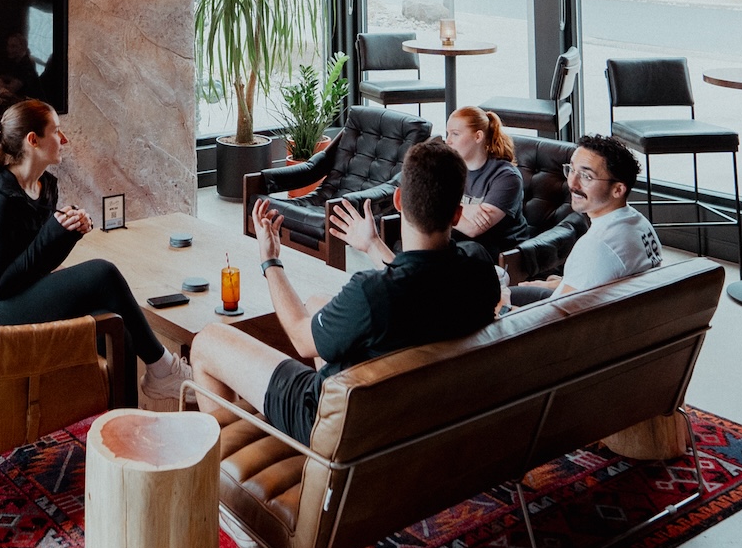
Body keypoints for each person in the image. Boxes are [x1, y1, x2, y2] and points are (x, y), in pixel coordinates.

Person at [190, 139, 501, 447]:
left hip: (331, 423)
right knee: (315, 303)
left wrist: (270, 259)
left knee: (207, 341)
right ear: (457, 214)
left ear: (399, 201)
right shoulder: (478, 266)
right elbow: (423, 281)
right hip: (412, 417)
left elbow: (301, 338)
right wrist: (371, 245)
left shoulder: (371, 293)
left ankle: (229, 460)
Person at [0, 99, 191, 405]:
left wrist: (67, 235)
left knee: (117, 324)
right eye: (57, 131)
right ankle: (163, 369)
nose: (64, 139)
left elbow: (37, 267)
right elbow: (0, 284)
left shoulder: (44, 187)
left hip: (21, 295)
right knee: (102, 272)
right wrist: (54, 233)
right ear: (33, 140)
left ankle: (125, 423)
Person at [511, 134, 662, 305]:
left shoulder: (596, 245)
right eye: (572, 170)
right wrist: (561, 284)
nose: (572, 184)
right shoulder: (639, 223)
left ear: (618, 190)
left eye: (586, 176)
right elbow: (606, 277)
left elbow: (556, 318)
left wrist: (505, 311)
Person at [444, 106, 526, 259]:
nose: (448, 141)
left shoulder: (507, 177)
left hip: (500, 256)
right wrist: (465, 210)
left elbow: (473, 229)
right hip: (462, 246)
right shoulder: (450, 167)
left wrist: (442, 208)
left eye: (455, 134)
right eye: (448, 133)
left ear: (478, 137)